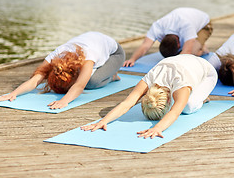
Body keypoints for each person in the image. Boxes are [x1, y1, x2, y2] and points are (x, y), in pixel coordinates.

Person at [81, 54, 218, 139]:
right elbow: (127, 103)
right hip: (184, 63)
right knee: (183, 102)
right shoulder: (150, 79)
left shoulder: (180, 85)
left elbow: (175, 112)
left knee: (187, 107)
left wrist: (158, 128)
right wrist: (103, 121)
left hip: (207, 72)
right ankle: (197, 93)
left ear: (169, 100)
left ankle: (203, 97)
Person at [0, 31, 125, 109]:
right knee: (85, 77)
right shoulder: (55, 55)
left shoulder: (88, 56)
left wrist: (64, 101)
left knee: (91, 82)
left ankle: (113, 75)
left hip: (115, 54)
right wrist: (14, 94)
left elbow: (79, 86)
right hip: (94, 45)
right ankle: (103, 70)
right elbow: (35, 80)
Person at [123, 7, 212, 67]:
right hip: (188, 21)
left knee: (191, 54)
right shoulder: (158, 26)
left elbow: (186, 52)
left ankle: (202, 48)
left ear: (178, 44)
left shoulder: (186, 26)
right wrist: (132, 59)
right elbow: (145, 46)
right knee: (180, 54)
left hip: (204, 25)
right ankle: (193, 41)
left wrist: (172, 65)